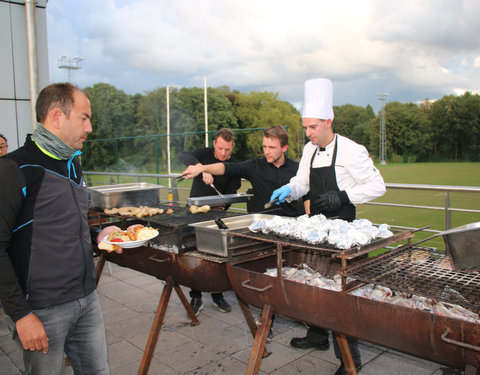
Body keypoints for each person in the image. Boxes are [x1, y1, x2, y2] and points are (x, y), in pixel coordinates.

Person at [270, 78, 386, 375]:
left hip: (345, 231)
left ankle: (350, 361)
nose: (308, 134)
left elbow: (378, 185)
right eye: (305, 127)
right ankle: (318, 335)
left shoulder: (351, 150)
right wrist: (289, 189)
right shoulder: (309, 150)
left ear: (328, 122)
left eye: (313, 127)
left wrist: (344, 195)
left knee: (341, 298)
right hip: (317, 230)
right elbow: (302, 183)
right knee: (314, 283)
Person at [0, 83, 112, 375]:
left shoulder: (72, 164)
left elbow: (66, 226)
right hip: (41, 310)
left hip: (87, 298)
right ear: (56, 117)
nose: (89, 127)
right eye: (83, 118)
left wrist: (96, 236)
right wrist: (21, 315)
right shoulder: (15, 168)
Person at [179, 128, 241, 315]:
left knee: (216, 255)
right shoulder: (204, 154)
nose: (223, 153)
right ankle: (195, 296)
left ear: (232, 147)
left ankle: (217, 294)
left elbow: (230, 195)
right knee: (193, 254)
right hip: (194, 212)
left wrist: (221, 206)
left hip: (217, 215)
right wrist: (201, 168)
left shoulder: (233, 167)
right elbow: (183, 155)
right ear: (214, 143)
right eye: (221, 148)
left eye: (228, 150)